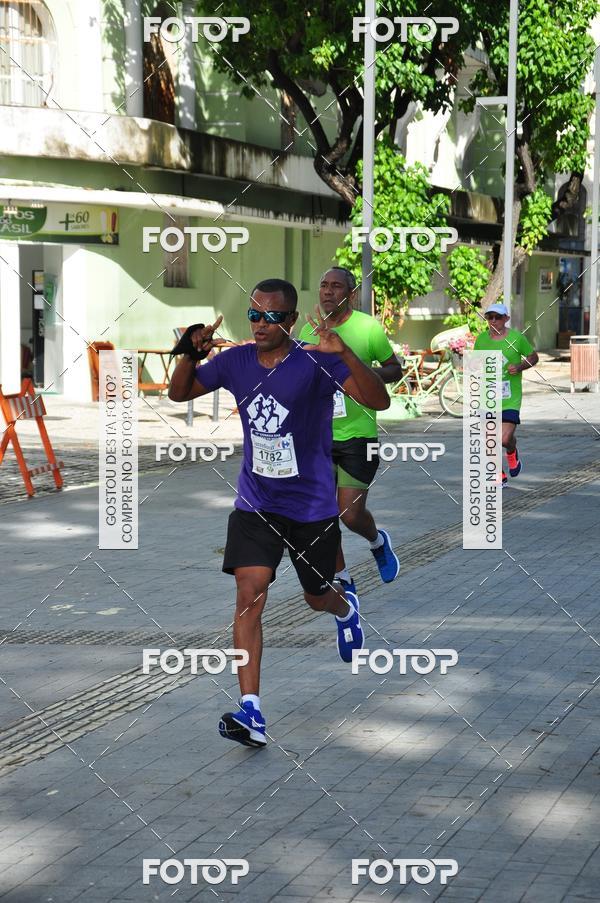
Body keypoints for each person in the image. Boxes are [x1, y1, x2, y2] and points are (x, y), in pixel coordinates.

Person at [168, 278, 390, 748]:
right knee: (249, 593)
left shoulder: (315, 360)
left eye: (271, 317)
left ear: (290, 321)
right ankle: (253, 713)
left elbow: (378, 400)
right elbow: (179, 394)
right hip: (256, 503)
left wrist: (345, 352)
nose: (260, 323)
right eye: (254, 314)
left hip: (311, 507)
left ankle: (345, 607)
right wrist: (189, 351)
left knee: (316, 598)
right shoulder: (236, 360)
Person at [298, 267, 403, 595]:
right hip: (319, 437)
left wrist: (358, 375)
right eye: (323, 285)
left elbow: (394, 369)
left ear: (351, 293)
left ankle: (377, 541)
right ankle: (343, 581)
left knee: (350, 513)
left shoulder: (368, 327)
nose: (328, 292)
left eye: (336, 286)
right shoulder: (308, 329)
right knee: (324, 514)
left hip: (359, 436)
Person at [474, 303, 539, 484]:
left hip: (510, 397)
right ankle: (498, 475)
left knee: (503, 439)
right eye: (490, 317)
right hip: (487, 397)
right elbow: (476, 363)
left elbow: (534, 357)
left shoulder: (517, 338)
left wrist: (519, 366)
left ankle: (512, 451)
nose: (493, 320)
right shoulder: (481, 340)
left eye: (498, 317)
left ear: (506, 319)